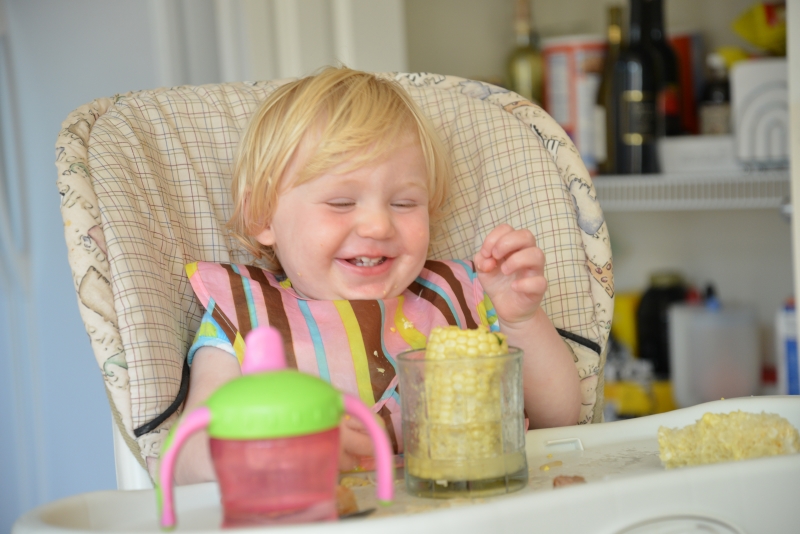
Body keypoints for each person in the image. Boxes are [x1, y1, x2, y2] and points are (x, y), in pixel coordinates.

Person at [166, 67, 581, 485]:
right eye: (342, 202)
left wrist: (519, 321)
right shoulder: (244, 319)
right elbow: (186, 459)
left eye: (404, 203)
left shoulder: (461, 297)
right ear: (262, 216)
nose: (379, 226)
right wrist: (271, 450)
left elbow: (560, 418)